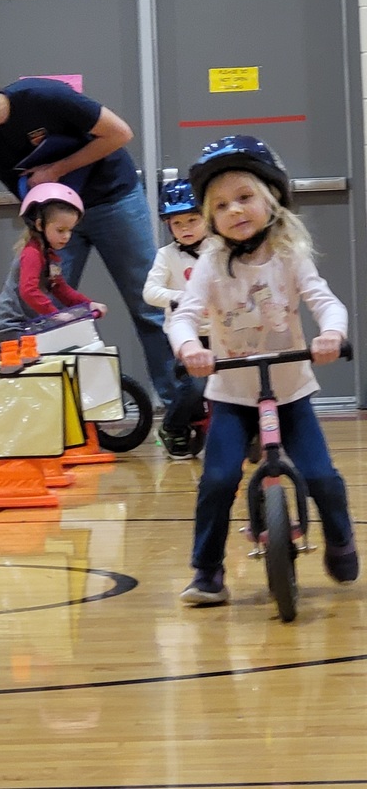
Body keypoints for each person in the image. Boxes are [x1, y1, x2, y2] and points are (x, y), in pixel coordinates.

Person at [0, 50, 176, 405]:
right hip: (51, 225)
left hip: (112, 199)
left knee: (148, 304)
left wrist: (56, 169)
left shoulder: (42, 97)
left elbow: (119, 133)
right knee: (33, 316)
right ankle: (62, 415)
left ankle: (181, 408)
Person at [170, 135, 358, 605]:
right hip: (232, 395)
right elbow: (184, 316)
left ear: (271, 198)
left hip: (290, 392)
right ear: (209, 219)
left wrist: (331, 334)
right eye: (221, 205)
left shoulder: (290, 257)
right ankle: (208, 571)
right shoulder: (210, 265)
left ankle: (340, 539)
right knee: (217, 479)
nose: (235, 210)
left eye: (245, 197)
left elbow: (324, 302)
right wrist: (190, 346)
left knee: (322, 476)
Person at [0, 183, 105, 347]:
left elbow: (61, 289)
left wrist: (88, 304)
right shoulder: (32, 253)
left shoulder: (48, 255)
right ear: (39, 225)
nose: (66, 236)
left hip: (28, 326)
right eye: (60, 230)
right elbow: (28, 291)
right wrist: (54, 315)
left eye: (70, 230)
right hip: (9, 329)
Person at [143, 177, 210, 458]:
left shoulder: (219, 250)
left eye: (193, 220)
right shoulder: (166, 255)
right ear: (167, 225)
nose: (185, 229)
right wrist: (178, 297)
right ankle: (173, 426)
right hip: (185, 331)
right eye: (177, 223)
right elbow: (149, 292)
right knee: (194, 384)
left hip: (223, 328)